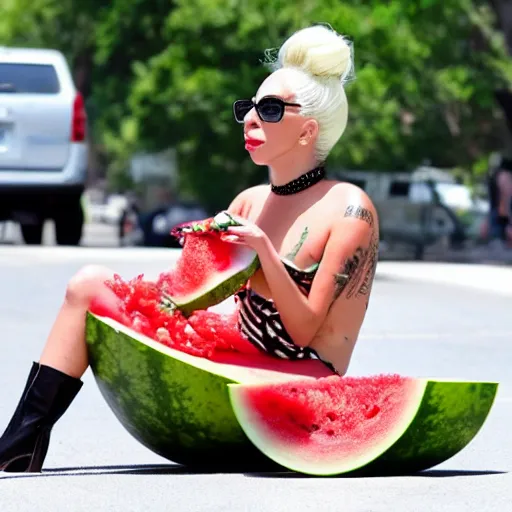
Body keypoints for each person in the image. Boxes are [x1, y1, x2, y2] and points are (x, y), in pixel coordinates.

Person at [0, 24, 379, 473]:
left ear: (307, 131)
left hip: (304, 381)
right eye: (249, 108)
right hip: (241, 358)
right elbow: (190, 299)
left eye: (271, 109)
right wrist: (157, 306)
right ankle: (22, 441)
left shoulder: (351, 210)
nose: (251, 119)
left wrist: (263, 254)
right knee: (88, 286)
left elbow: (303, 332)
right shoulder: (249, 202)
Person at [487, 155, 512, 248]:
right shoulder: (502, 175)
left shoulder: (502, 175)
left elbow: (506, 193)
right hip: (499, 209)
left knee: (501, 231)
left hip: (501, 209)